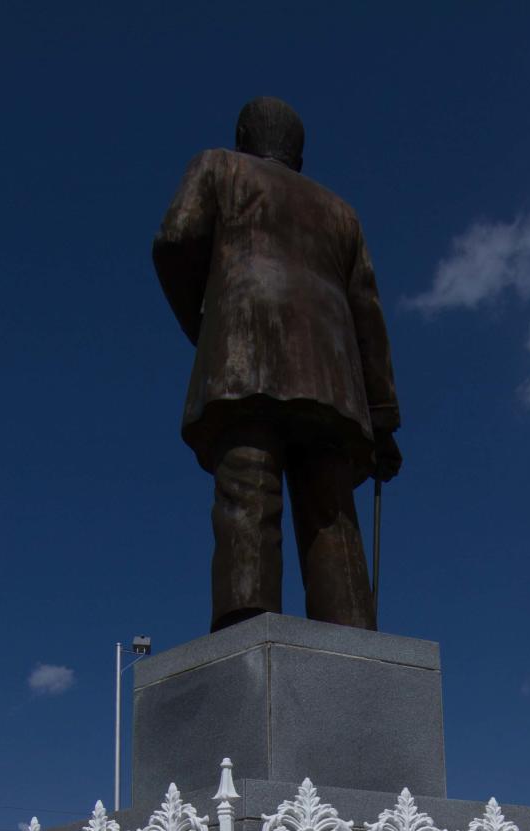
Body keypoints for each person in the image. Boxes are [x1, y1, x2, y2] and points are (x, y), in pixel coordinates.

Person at [153, 96, 402, 632]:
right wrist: (382, 417)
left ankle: (246, 623)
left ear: (244, 135)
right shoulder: (342, 213)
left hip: (245, 356)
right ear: (300, 154)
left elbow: (176, 239)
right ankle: (350, 632)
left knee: (247, 488)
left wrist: (206, 322)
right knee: (331, 511)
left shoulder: (218, 165)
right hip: (331, 377)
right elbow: (369, 316)